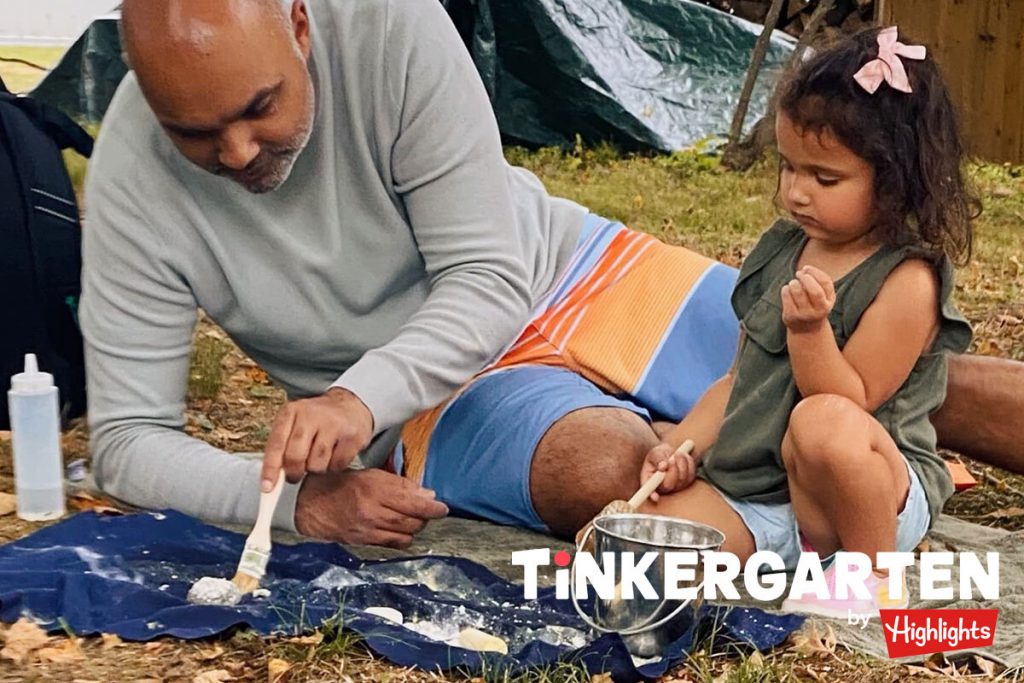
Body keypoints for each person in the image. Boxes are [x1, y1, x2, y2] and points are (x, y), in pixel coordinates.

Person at [83, 0, 1023, 550]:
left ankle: (845, 460)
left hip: (573, 267)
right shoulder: (131, 175)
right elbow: (125, 438)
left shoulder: (390, 25)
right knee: (615, 471)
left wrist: (350, 402)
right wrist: (299, 502)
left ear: (297, 23)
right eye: (192, 134)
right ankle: (799, 491)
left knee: (865, 371)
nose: (238, 151)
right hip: (439, 395)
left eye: (258, 108)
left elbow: (486, 278)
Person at [639, 26, 980, 617]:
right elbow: (737, 380)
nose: (797, 193)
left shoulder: (907, 281)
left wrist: (809, 331)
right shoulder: (781, 248)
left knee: (820, 420)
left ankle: (871, 582)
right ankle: (784, 559)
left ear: (896, 179)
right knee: (631, 541)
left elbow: (851, 403)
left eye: (824, 179)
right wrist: (678, 447)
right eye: (788, 168)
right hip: (763, 496)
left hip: (863, 506)